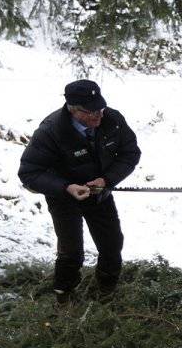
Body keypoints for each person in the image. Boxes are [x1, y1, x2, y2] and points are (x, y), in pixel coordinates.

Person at [18, 79, 141, 304]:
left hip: (99, 193)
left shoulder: (112, 120)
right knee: (72, 252)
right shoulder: (51, 131)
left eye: (100, 108)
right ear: (73, 109)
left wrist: (106, 180)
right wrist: (66, 187)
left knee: (113, 244)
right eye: (90, 111)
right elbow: (29, 173)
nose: (98, 116)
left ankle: (106, 291)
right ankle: (64, 296)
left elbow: (130, 153)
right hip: (64, 197)